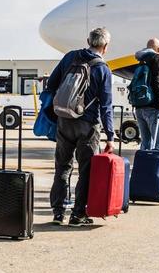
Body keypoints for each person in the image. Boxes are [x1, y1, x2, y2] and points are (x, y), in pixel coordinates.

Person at [47, 27, 114, 226]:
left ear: (88, 40)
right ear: (105, 47)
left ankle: (58, 213)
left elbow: (51, 84)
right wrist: (110, 135)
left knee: (62, 167)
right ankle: (78, 214)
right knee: (85, 170)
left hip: (64, 120)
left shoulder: (70, 57)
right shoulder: (103, 69)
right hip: (88, 124)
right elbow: (106, 105)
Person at [133, 38, 159, 151]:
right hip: (154, 108)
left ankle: (144, 168)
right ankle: (158, 169)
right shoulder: (157, 58)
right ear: (158, 49)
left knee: (146, 144)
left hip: (140, 107)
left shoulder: (141, 59)